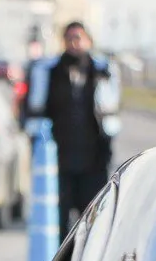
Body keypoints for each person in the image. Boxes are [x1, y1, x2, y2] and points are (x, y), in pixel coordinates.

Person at [23, 21, 122, 240]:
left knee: (94, 219)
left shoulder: (101, 70)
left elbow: (111, 107)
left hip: (94, 157)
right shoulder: (51, 71)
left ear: (88, 41)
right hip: (59, 157)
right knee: (60, 218)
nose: (74, 43)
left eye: (79, 38)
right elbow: (35, 110)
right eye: (70, 38)